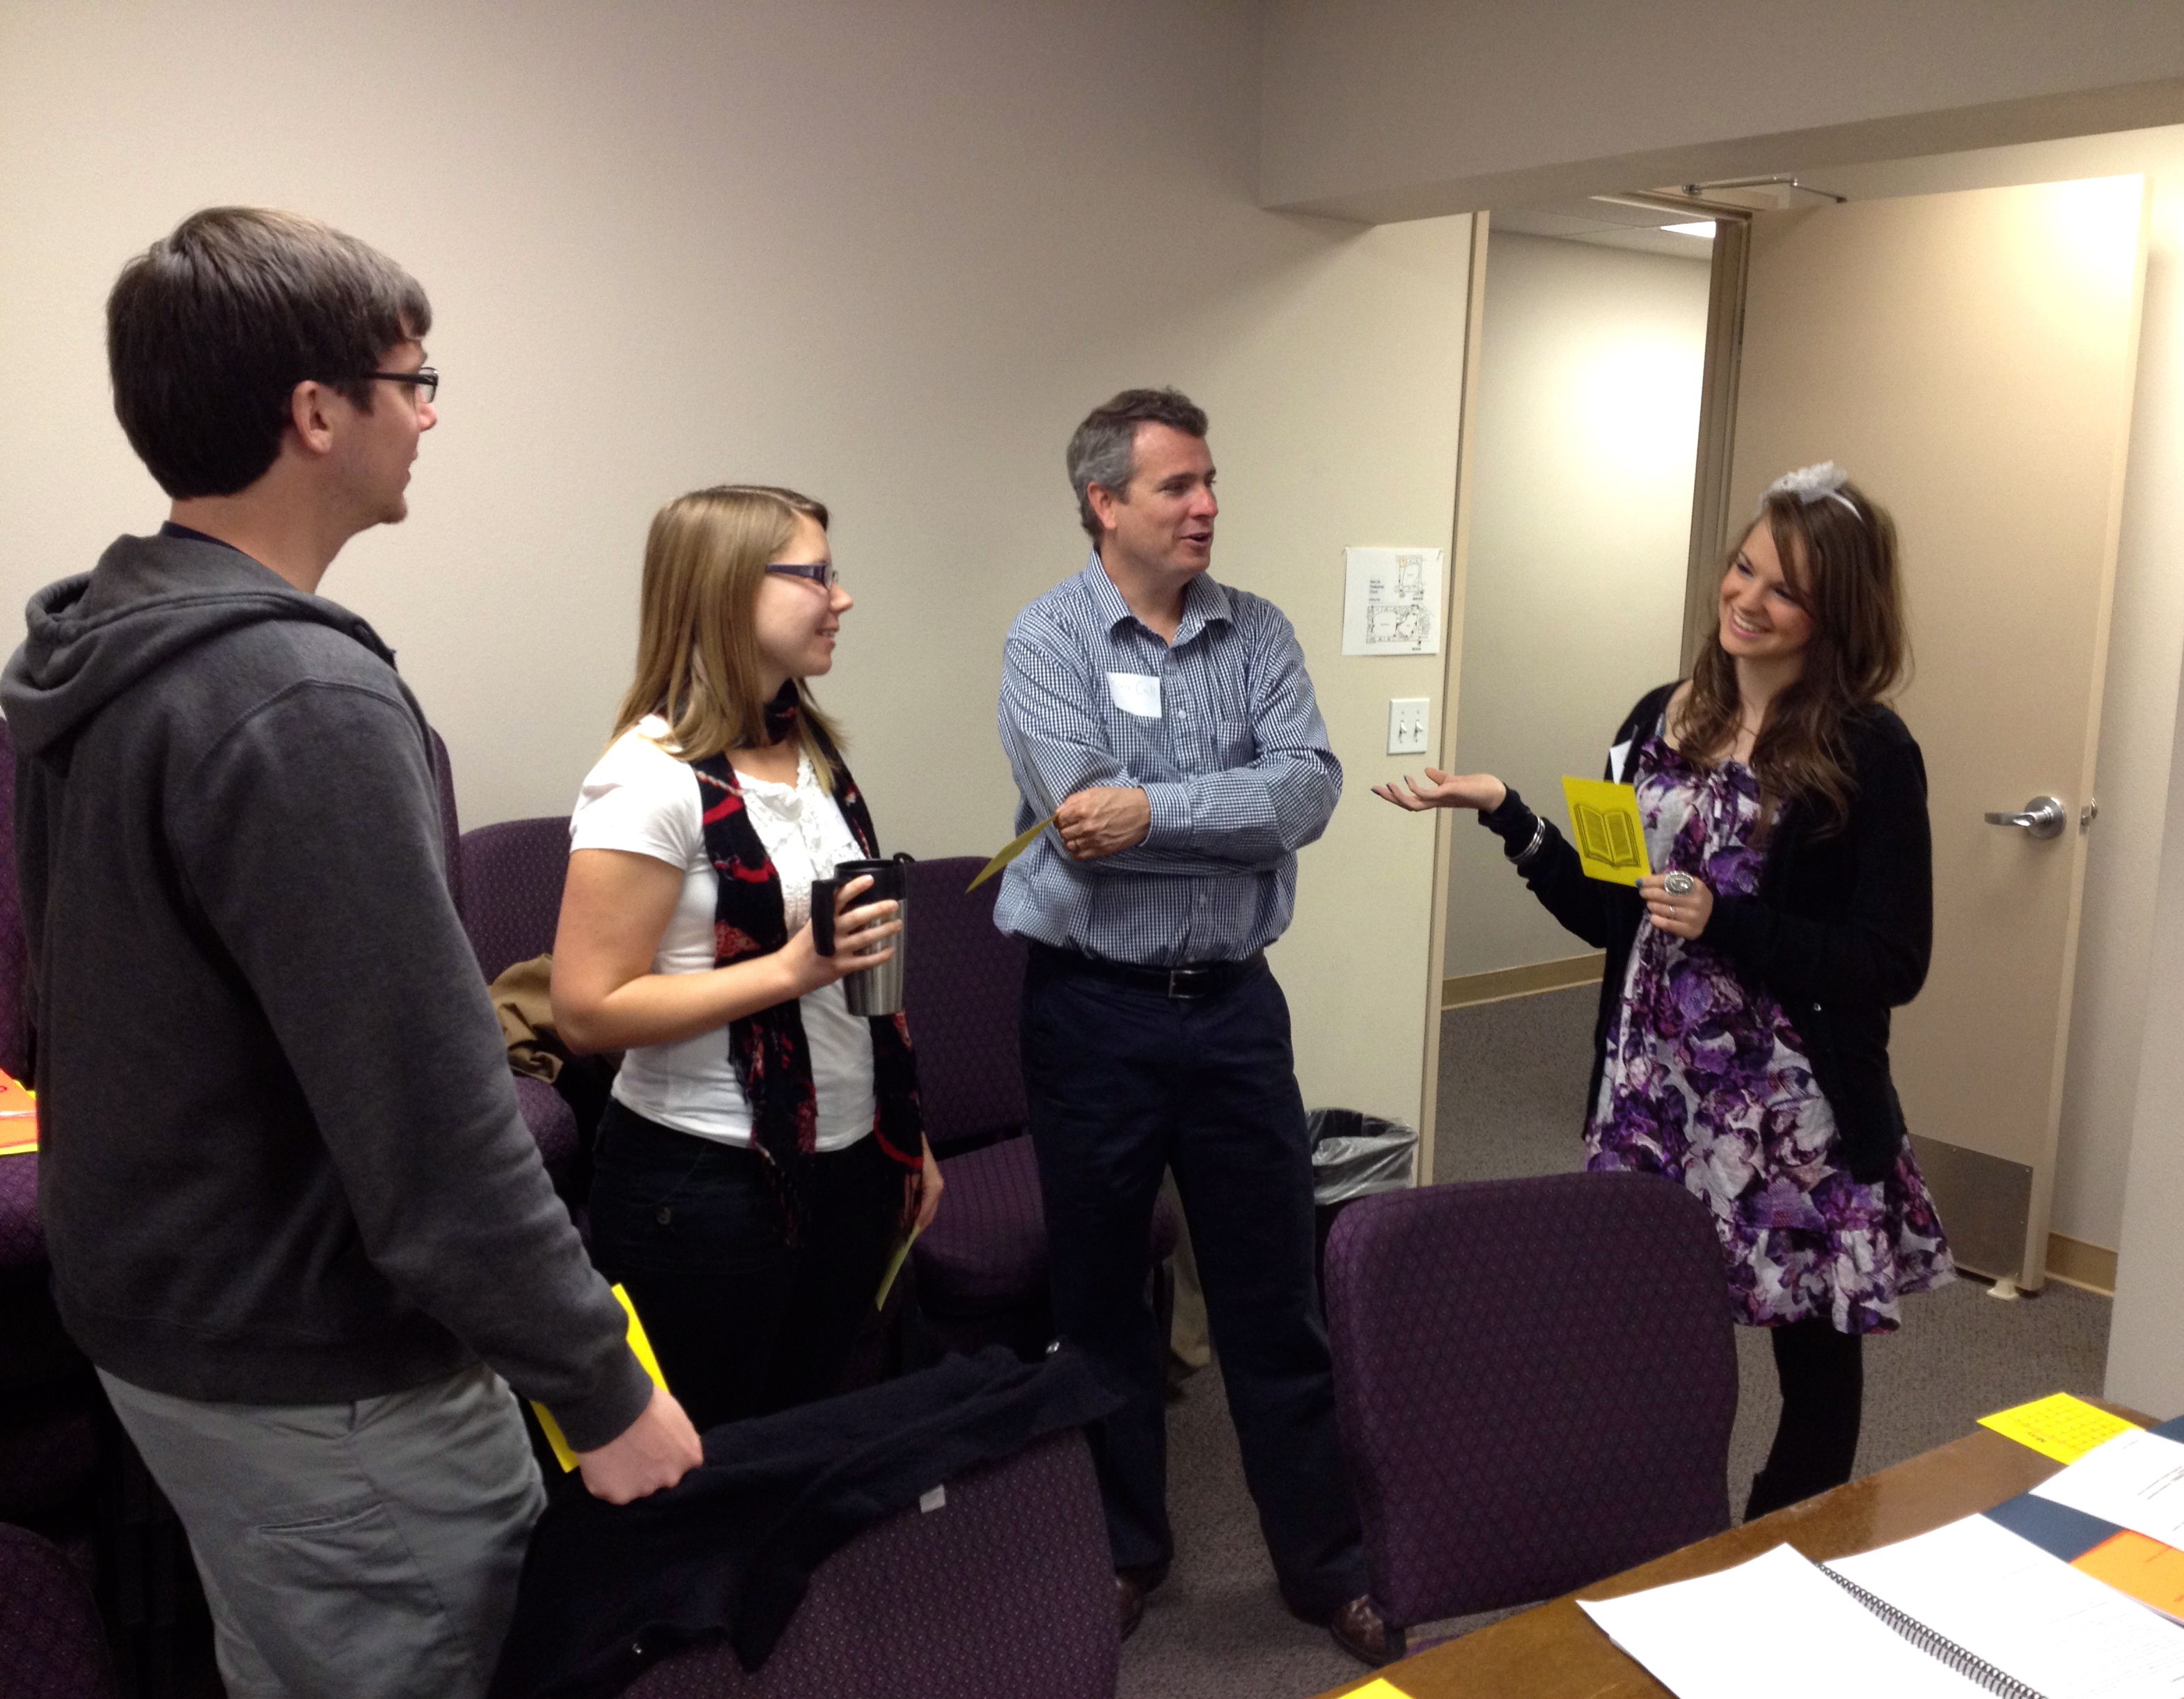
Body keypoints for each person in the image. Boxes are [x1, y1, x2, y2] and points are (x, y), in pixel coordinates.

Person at [1, 207, 702, 1699]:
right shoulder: (297, 700)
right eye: (414, 379)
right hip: (325, 1376)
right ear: (317, 412)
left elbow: (42, 1009)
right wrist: (601, 1385)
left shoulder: (98, 648)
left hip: (167, 1333)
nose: (430, 415)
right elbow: (434, 1118)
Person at [1376, 462, 1954, 1519]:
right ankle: (1660, 1536)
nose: (1745, 598)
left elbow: (1890, 960)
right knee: (1649, 1335)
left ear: (1835, 613)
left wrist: (1727, 919)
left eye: (1781, 588)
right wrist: (1507, 812)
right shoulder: (1658, 718)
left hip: (1789, 1108)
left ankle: (1784, 1548)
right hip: (1655, 1092)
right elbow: (1611, 914)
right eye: (1742, 567)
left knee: (1810, 1359)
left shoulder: (1869, 748)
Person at [996, 388, 1390, 1664]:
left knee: (1274, 1293)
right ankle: (1123, 1551)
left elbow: (1310, 788)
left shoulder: (1257, 632)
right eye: (1175, 486)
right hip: (1092, 1014)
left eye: (1209, 480)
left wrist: (1159, 813)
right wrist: (1221, 805)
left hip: (1231, 1013)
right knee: (1102, 1297)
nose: (1206, 504)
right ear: (1105, 502)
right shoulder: (1047, 638)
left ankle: (1322, 1561)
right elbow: (1077, 816)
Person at [551, 484, 943, 1435]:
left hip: (844, 1164)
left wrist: (903, 1131)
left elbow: (856, 973)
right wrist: (786, 970)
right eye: (815, 574)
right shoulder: (647, 776)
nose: (839, 598)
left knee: (806, 1433)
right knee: (714, 1466)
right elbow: (587, 1010)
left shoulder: (807, 747)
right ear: (729, 592)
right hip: (705, 1186)